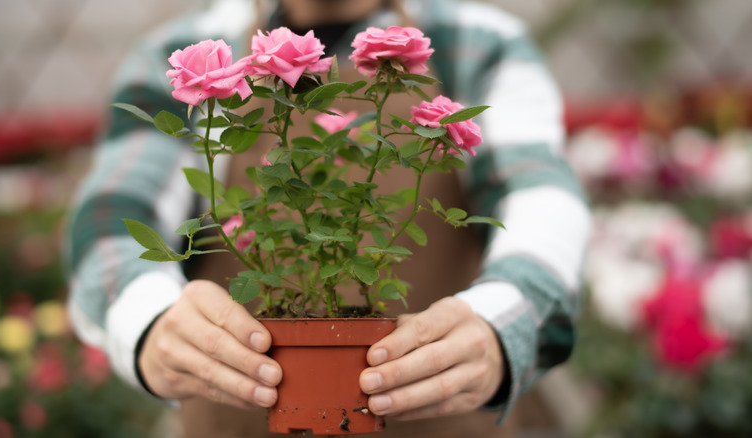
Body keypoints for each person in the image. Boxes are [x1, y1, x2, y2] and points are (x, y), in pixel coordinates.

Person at [64, 0, 591, 436]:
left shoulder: (477, 43)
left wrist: (500, 325)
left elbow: (543, 201)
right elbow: (113, 213)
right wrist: (149, 320)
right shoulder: (182, 52)